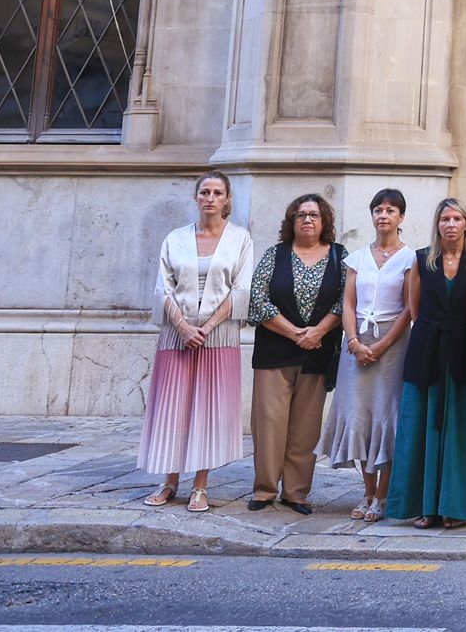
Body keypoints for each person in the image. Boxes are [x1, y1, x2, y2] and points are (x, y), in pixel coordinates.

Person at [139, 173, 254, 514]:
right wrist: (183, 326)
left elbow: (241, 289)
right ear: (196, 197)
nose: (210, 198)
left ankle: (200, 486)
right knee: (172, 407)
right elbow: (163, 287)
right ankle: (169, 480)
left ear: (227, 199)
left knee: (209, 409)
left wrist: (206, 327)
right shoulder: (175, 238)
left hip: (218, 335)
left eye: (217, 192)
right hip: (177, 332)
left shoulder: (240, 239)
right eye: (204, 192)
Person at [319, 189, 414, 522]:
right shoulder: (357, 258)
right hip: (357, 343)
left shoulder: (410, 259)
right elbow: (348, 303)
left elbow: (408, 309)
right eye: (378, 210)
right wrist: (355, 341)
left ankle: (384, 495)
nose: (383, 216)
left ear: (401, 217)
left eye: (390, 210)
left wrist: (383, 344)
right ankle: (368, 490)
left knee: (386, 415)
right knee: (358, 415)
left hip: (392, 345)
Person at [247, 193, 346, 514]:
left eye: (314, 215)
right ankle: (264, 489)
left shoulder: (338, 258)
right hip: (274, 352)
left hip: (317, 354)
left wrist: (318, 332)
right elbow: (257, 301)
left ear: (324, 222)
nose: (307, 220)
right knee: (269, 423)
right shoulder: (274, 255)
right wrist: (295, 333)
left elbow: (346, 301)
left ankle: (296, 491)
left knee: (305, 428)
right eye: (301, 215)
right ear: (291, 221)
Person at [389, 197, 466, 529]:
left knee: (458, 433)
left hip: (462, 356)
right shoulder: (421, 260)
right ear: (437, 224)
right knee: (421, 430)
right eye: (445, 219)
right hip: (427, 351)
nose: (451, 224)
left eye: (457, 218)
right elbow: (413, 308)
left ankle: (453, 507)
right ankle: (425, 506)